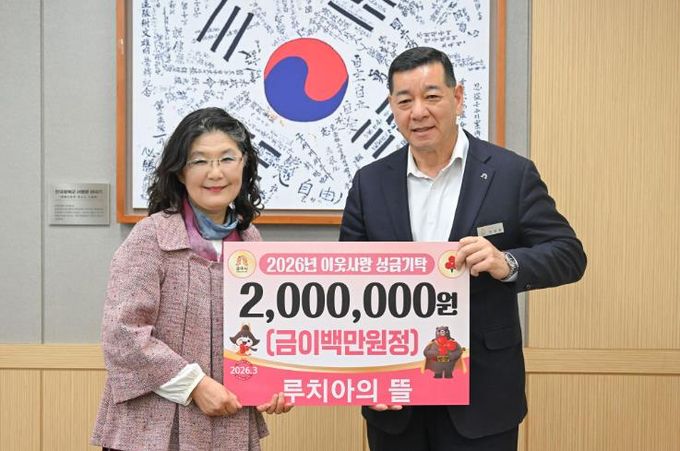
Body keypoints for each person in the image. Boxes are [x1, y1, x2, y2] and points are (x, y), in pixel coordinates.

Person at [340, 47, 586, 451]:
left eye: (432, 96)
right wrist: (366, 375)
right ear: (392, 107)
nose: (419, 112)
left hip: (482, 394)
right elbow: (348, 282)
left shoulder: (510, 173)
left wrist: (506, 262)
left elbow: (569, 254)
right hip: (396, 394)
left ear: (457, 98)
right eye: (405, 101)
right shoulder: (370, 183)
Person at [92, 107, 291, 451]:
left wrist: (273, 383)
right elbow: (122, 334)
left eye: (227, 158)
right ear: (180, 172)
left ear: (244, 165)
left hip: (230, 424)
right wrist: (195, 384)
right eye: (199, 161)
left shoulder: (250, 241)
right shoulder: (151, 236)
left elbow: (263, 331)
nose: (215, 173)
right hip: (152, 430)